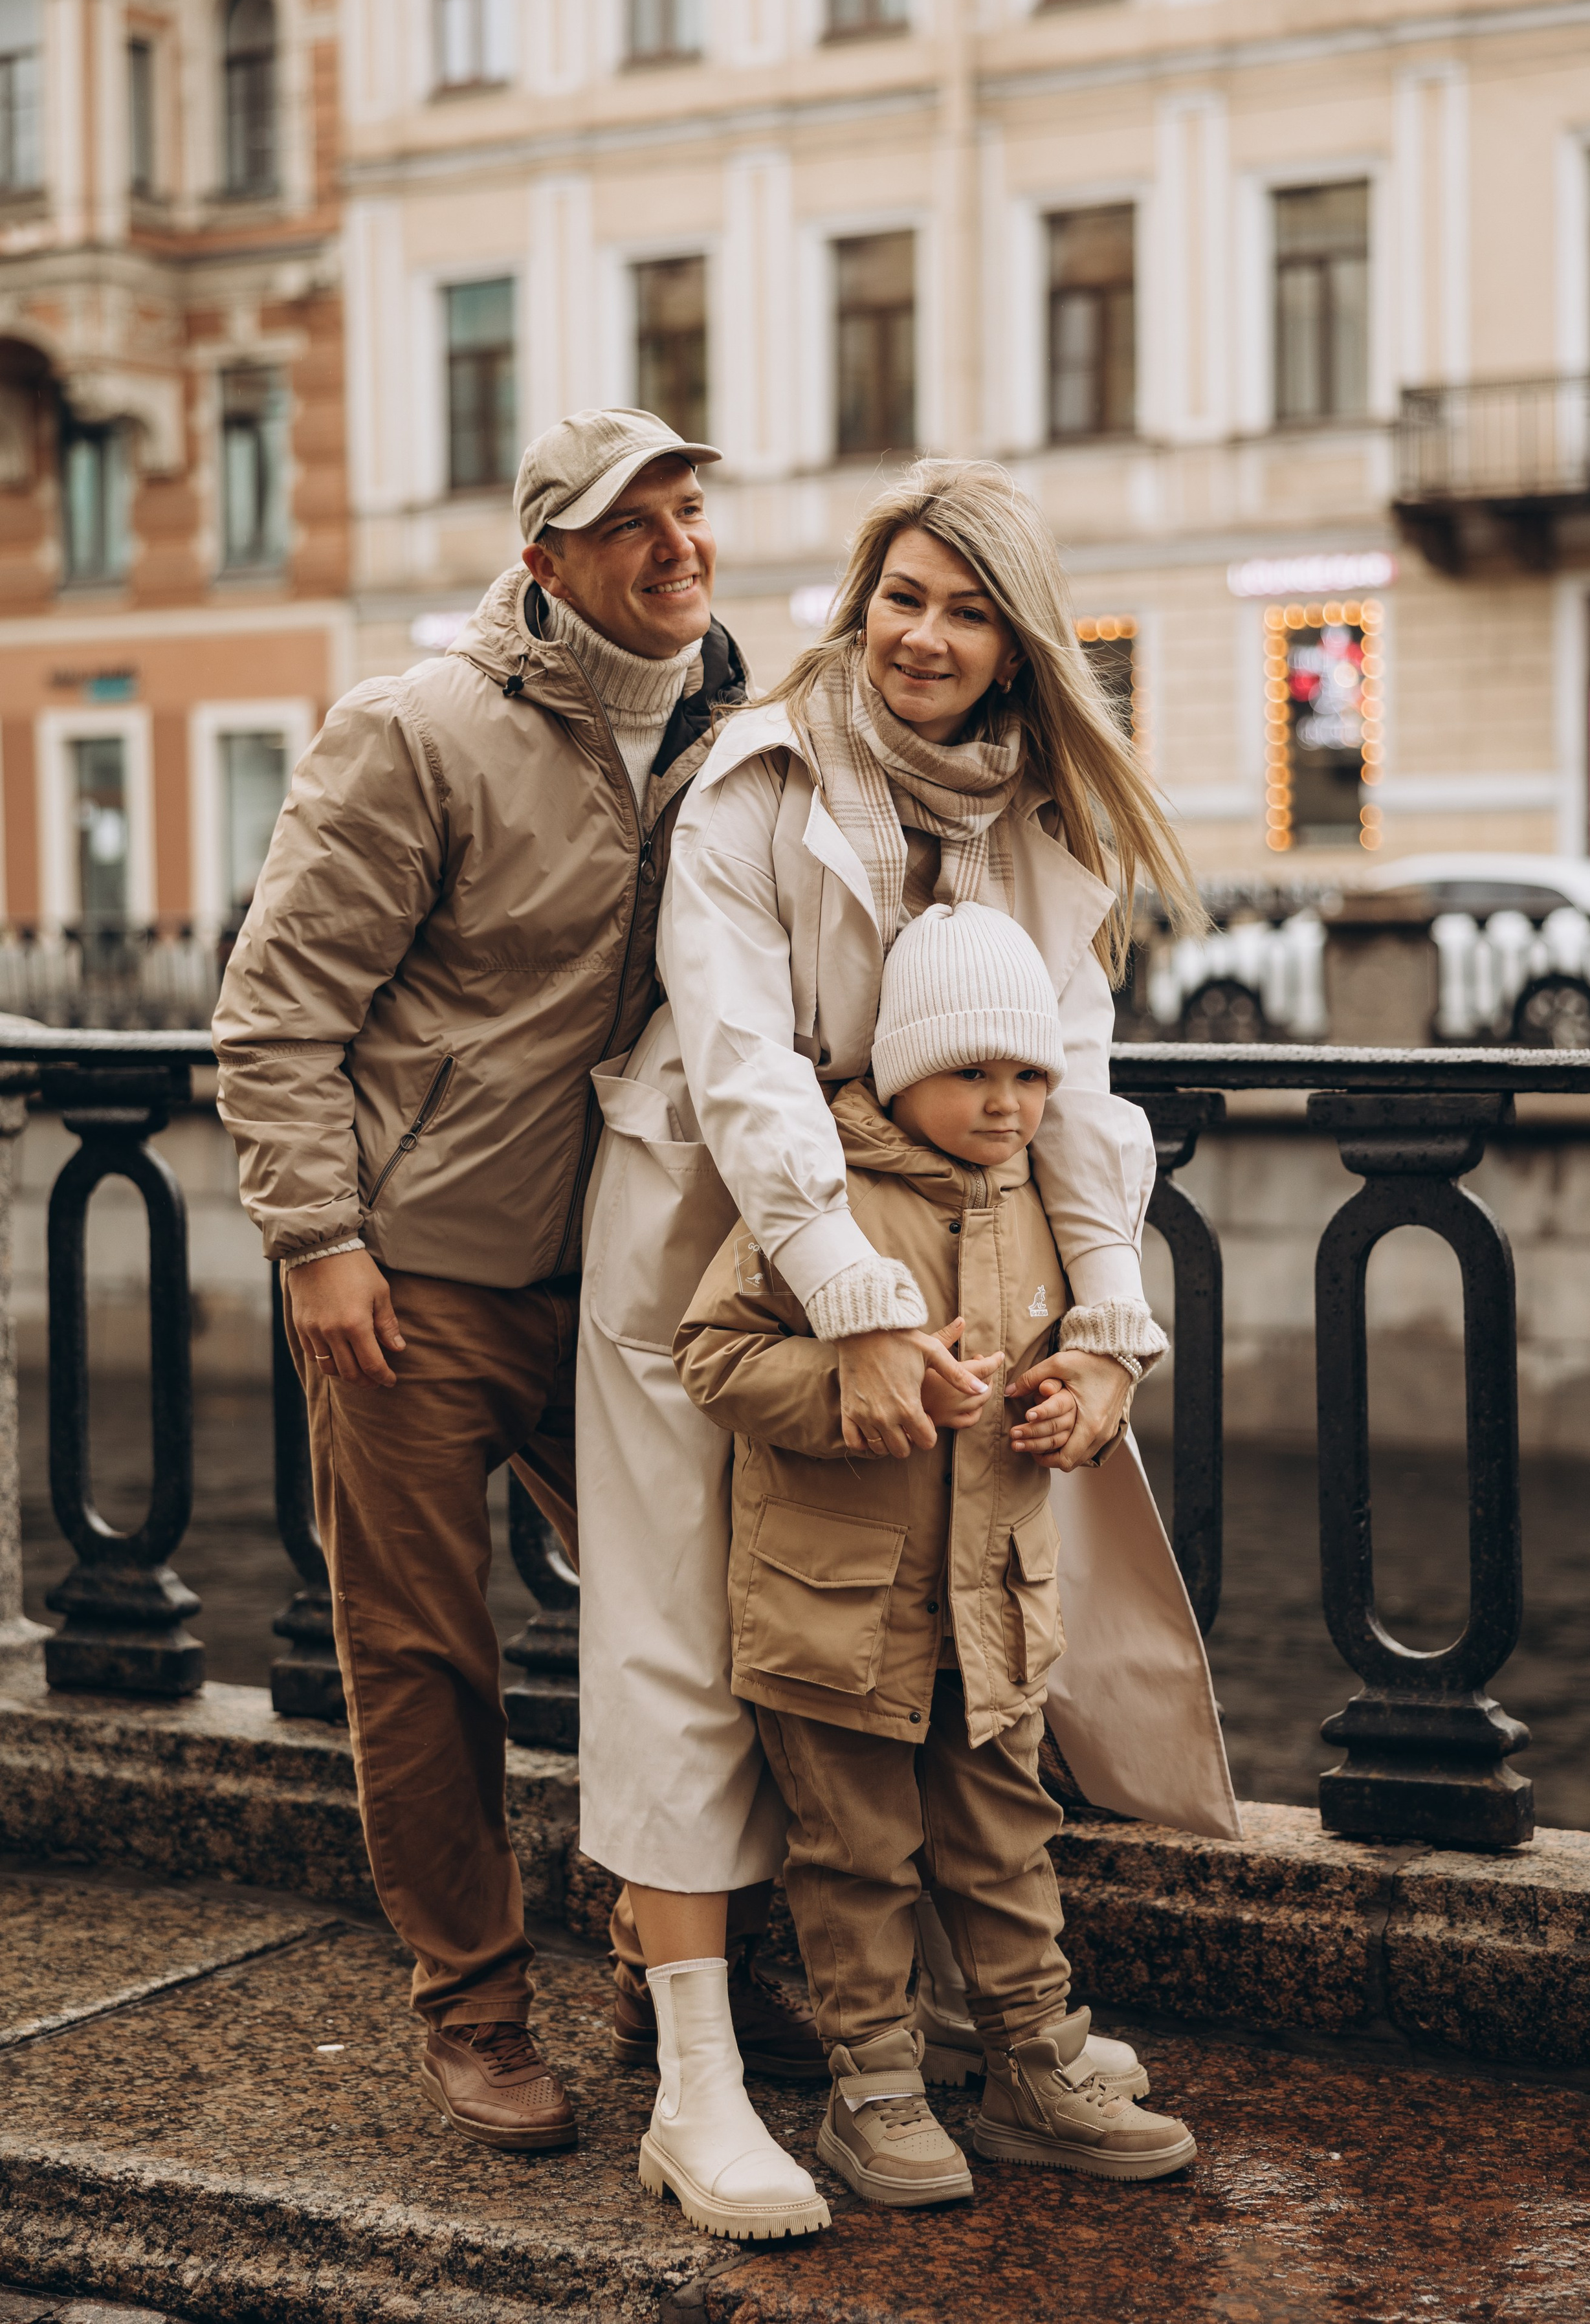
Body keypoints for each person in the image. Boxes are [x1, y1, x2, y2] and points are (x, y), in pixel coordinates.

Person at [575, 458, 1237, 2231]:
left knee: (954, 1662)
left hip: (951, 1258)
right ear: (861, 599)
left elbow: (1075, 1093)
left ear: (1019, 648)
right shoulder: (759, 775)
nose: (925, 637)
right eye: (902, 596)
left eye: (966, 611)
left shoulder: (1039, 824)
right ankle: (702, 2083)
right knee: (691, 1660)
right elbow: (743, 1061)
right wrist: (852, 1303)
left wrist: (1109, 1331)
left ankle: (977, 2034)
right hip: (714, 1236)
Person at [212, 407, 821, 2155]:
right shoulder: (415, 732)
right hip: (411, 1279)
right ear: (544, 558)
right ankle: (473, 2006)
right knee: (424, 1659)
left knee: (696, 1630)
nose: (676, 547)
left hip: (631, 1284)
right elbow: (277, 1016)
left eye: (692, 512)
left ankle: (671, 1963)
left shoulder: (733, 738)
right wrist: (319, 1245)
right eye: (632, 523)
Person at [673, 902, 1201, 2204]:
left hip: (993, 1607)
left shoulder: (1043, 1206)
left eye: (1029, 1076)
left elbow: (1098, 1347)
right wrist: (854, 1394)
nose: (1007, 1103)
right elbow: (712, 1356)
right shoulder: (824, 1205)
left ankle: (1032, 2058)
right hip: (836, 1614)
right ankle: (876, 2088)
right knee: (853, 1851)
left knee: (1006, 1835)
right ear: (902, 1072)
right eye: (972, 1072)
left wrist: (1078, 1404)